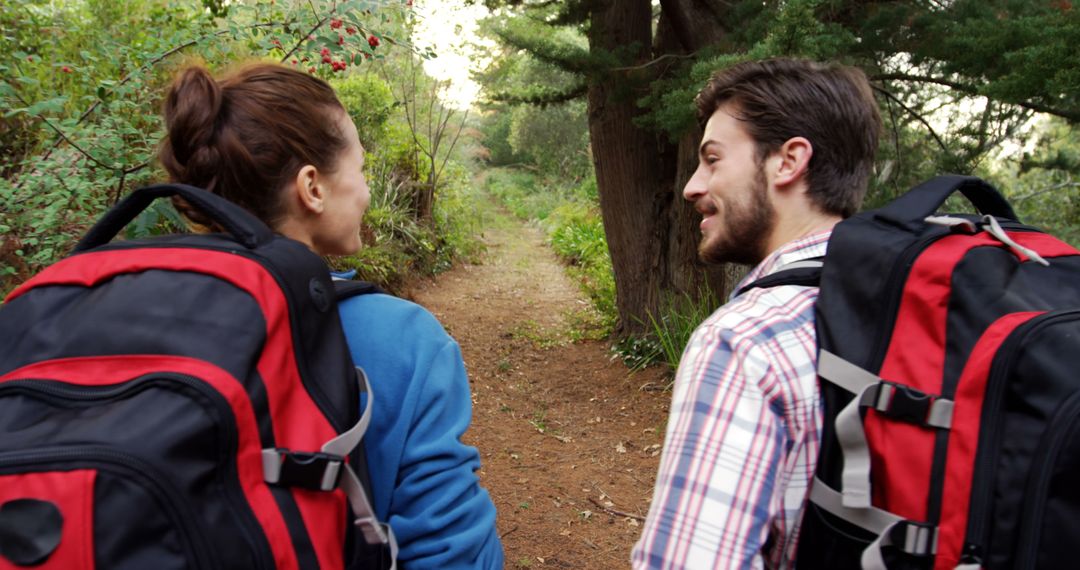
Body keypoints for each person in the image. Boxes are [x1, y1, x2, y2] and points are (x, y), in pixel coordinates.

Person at [158, 62, 503, 569]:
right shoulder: (402, 341)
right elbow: (452, 554)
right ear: (312, 187)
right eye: (360, 169)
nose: (364, 191)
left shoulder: (98, 321)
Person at [631, 58, 881, 569]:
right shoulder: (905, 306)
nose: (692, 187)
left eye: (713, 159)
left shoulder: (744, 341)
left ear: (787, 162)